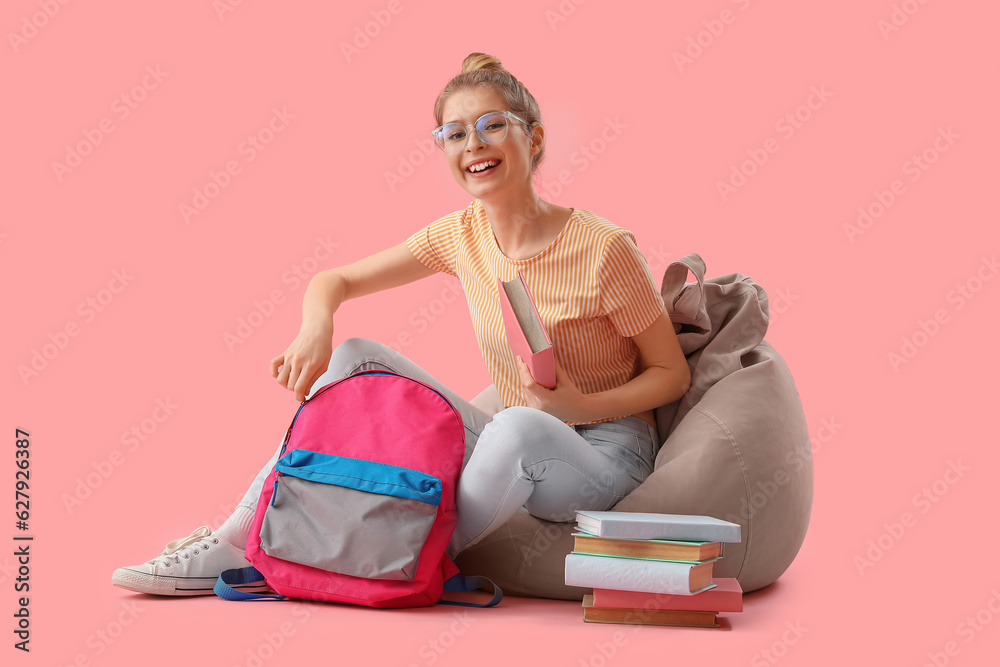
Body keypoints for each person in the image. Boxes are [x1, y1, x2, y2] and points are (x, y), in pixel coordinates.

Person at [111, 52, 691, 596]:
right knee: (358, 354)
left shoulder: (604, 248)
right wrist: (319, 324)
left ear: (533, 137)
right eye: (455, 133)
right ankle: (234, 539)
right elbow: (334, 280)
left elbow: (672, 375)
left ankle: (380, 563)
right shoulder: (461, 236)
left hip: (605, 450)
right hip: (513, 429)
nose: (473, 144)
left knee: (514, 425)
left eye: (492, 125)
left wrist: (577, 409)